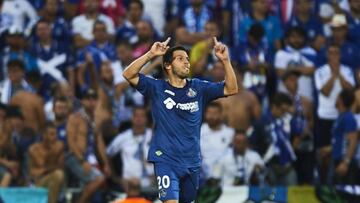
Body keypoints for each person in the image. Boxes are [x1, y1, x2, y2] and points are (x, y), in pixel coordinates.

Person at [122, 37, 238, 203]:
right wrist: (150, 54)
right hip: (166, 160)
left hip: (192, 162)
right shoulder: (157, 88)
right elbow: (128, 74)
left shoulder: (198, 88)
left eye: (188, 59)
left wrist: (225, 61)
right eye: (180, 59)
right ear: (168, 65)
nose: (186, 63)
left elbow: (232, 88)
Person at [65, 89, 111, 203]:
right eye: (88, 99)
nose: (91, 102)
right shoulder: (75, 118)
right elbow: (71, 142)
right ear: (82, 101)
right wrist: (82, 161)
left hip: (91, 159)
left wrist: (105, 164)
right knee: (98, 179)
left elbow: (100, 144)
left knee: (98, 185)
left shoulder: (95, 120)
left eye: (94, 99)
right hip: (75, 158)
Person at [28, 122, 65, 203]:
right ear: (44, 135)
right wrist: (52, 153)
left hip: (55, 179)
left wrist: (45, 169)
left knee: (59, 174)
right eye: (52, 134)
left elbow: (61, 166)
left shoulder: (60, 146)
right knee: (57, 174)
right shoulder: (34, 149)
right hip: (38, 182)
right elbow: (38, 168)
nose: (55, 137)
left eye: (56, 134)